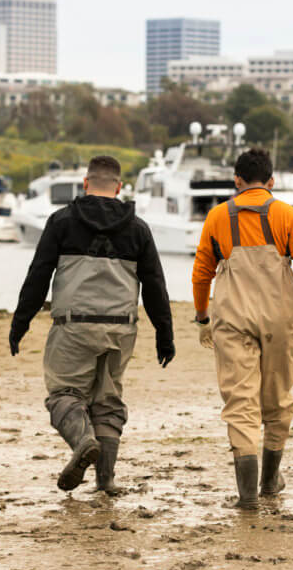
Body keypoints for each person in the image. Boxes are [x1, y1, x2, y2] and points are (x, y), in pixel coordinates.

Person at [10, 155, 174, 496]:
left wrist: (20, 323)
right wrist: (165, 335)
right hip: (120, 329)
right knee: (108, 402)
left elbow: (38, 275)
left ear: (85, 184)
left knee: (63, 395)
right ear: (119, 186)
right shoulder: (138, 228)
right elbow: (155, 285)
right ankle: (106, 481)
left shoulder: (61, 222)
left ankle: (83, 439)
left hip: (74, 327)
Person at [192, 149, 293, 509]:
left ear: (237, 181)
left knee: (240, 402)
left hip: (231, 319)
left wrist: (202, 318)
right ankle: (271, 481)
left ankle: (247, 496)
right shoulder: (287, 216)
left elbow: (201, 273)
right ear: (272, 182)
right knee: (277, 399)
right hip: (279, 318)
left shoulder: (216, 217)